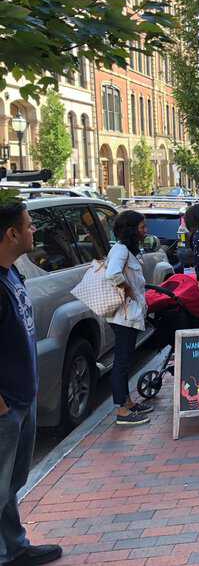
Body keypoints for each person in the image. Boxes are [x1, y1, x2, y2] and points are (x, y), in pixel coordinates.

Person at [0, 200, 63, 566]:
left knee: (10, 485)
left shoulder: (12, 274)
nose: (33, 231)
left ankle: (15, 547)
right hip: (7, 406)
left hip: (23, 399)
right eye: (28, 225)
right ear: (11, 233)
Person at [106, 210, 154, 426]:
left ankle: (128, 401)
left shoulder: (129, 250)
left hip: (130, 315)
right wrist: (129, 291)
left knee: (126, 360)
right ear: (132, 230)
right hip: (123, 316)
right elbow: (113, 274)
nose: (146, 231)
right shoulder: (121, 250)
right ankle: (121, 410)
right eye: (142, 227)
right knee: (122, 361)